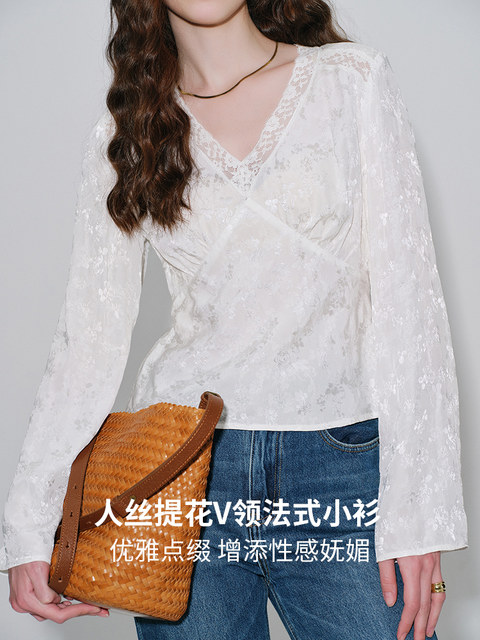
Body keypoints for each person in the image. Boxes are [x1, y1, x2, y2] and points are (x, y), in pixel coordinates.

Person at [1, 1, 468, 639]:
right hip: (181, 477)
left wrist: (420, 513)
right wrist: (29, 525)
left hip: (340, 471)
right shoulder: (128, 132)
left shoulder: (353, 82)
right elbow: (86, 341)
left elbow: (409, 305)